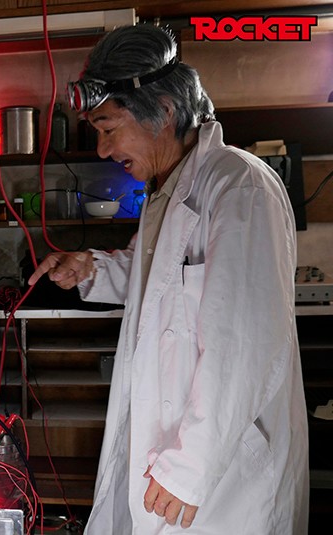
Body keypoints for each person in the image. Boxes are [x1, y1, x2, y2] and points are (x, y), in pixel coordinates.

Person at [29, 25, 308, 533]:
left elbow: (243, 344)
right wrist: (91, 267)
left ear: (163, 111)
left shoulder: (239, 185)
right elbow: (160, 283)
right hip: (169, 452)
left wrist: (189, 468)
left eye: (108, 128)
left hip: (222, 470)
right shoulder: (167, 192)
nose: (103, 149)